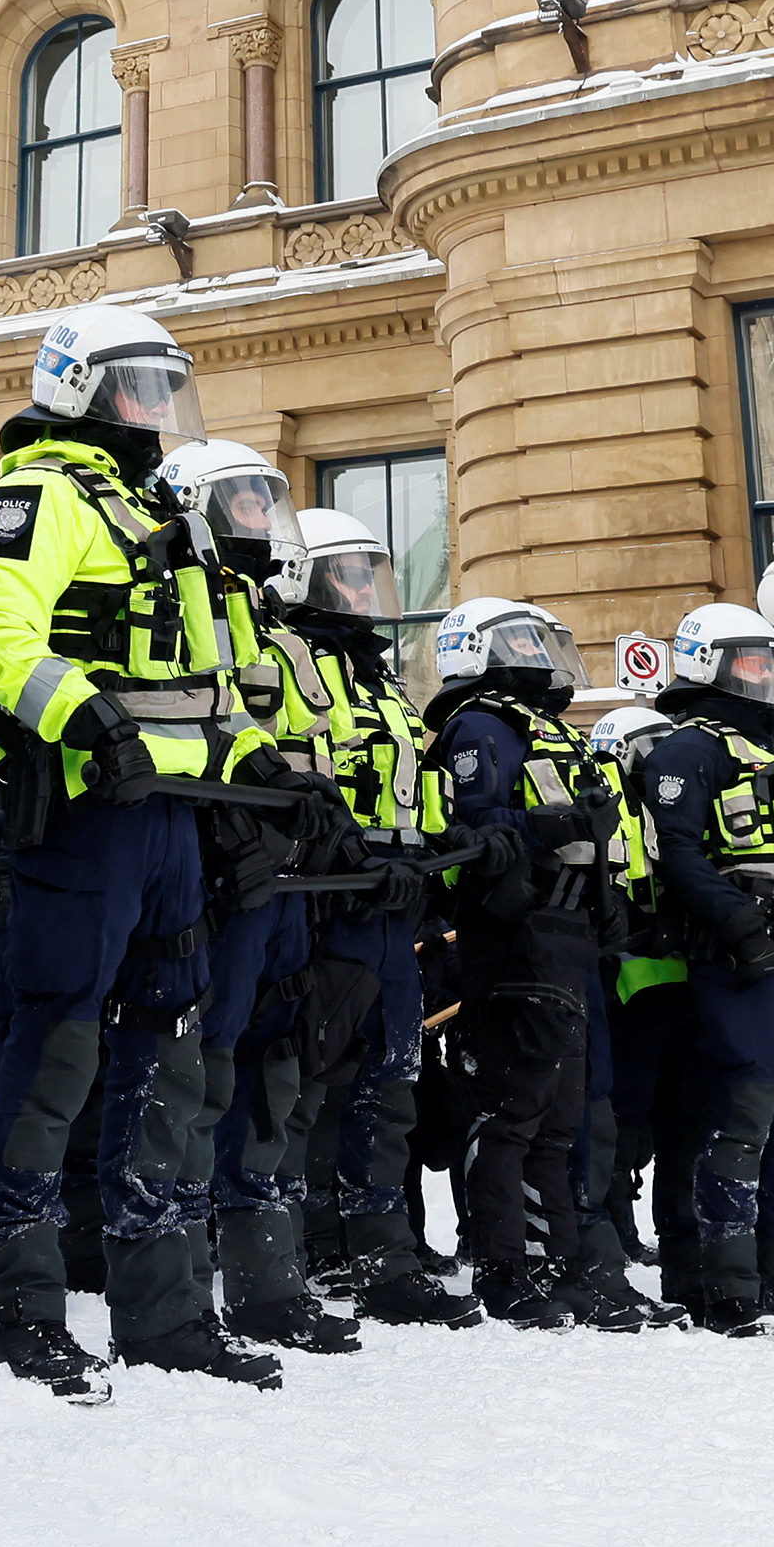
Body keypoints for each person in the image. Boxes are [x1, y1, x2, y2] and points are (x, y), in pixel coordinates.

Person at [0, 307, 264, 1400]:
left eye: (162, 387)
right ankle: (22, 1312)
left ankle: (165, 1314)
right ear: (79, 389)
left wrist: (269, 768)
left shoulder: (152, 507)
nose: (154, 409)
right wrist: (88, 720)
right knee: (54, 1054)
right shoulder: (36, 494)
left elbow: (204, 669)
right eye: (134, 388)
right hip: (83, 808)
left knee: (169, 1056)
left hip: (170, 809)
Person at [619, 603, 774, 1342]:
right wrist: (737, 923)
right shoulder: (688, 749)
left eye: (770, 661)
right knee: (740, 1123)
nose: (765, 674)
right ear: (709, 665)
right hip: (743, 961)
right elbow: (677, 851)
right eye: (749, 662)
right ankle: (724, 1285)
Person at [156, 442, 354, 1365]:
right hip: (231, 871)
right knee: (209, 1068)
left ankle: (271, 1285)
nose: (256, 519)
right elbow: (198, 724)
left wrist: (336, 827)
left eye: (261, 501)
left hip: (292, 875)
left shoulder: (273, 623)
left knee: (278, 1064)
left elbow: (309, 749)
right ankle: (189, 1290)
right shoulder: (193, 597)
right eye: (237, 502)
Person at [265, 508, 476, 1326]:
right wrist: (346, 863)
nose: (363, 591)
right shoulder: (283, 659)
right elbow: (283, 782)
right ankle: (314, 1247)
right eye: (345, 575)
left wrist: (445, 842)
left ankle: (381, 1249)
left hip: (394, 908)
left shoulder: (377, 680)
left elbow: (403, 789)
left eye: (367, 574)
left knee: (391, 1081)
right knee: (314, 1079)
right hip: (323, 907)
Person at [423, 595, 656, 1331]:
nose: (538, 652)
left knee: (559, 1119)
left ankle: (560, 1264)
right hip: (515, 937)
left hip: (565, 931)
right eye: (519, 639)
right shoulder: (480, 726)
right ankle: (503, 1266)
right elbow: (477, 824)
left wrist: (604, 892)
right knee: (514, 1112)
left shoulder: (548, 728)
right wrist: (556, 824)